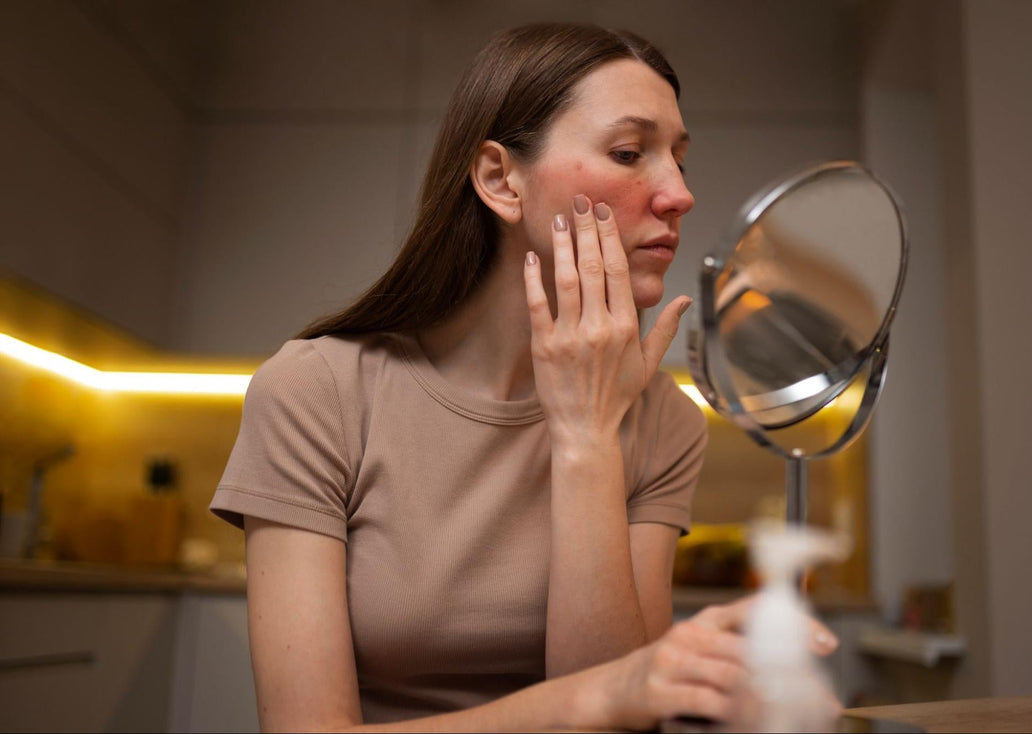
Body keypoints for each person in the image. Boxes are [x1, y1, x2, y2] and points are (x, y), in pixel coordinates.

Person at [210, 22, 837, 732]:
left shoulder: (663, 420)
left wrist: (587, 437)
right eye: (630, 153)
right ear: (501, 180)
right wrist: (596, 699)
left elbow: (628, 719)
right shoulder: (316, 392)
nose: (679, 194)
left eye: (680, 161)